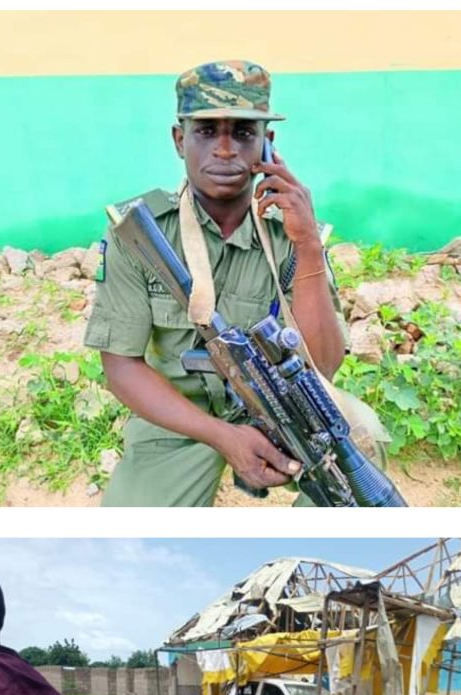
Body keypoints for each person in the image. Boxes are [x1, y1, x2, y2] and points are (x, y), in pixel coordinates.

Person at [84, 59, 348, 506]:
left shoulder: (293, 233)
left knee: (359, 494)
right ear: (178, 140)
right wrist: (223, 436)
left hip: (285, 410)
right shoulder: (141, 233)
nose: (225, 150)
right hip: (178, 415)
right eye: (206, 132)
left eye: (244, 133)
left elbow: (323, 365)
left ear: (268, 143)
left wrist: (307, 249)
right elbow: (122, 367)